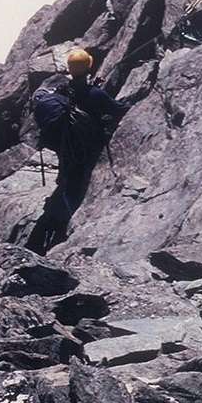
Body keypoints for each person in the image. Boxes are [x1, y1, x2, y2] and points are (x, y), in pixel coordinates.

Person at [26, 48, 127, 252]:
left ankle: (46, 229)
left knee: (67, 179)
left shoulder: (64, 89)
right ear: (88, 66)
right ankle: (65, 225)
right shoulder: (95, 94)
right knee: (74, 186)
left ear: (70, 70)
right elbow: (118, 109)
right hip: (86, 147)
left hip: (65, 144)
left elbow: (77, 97)